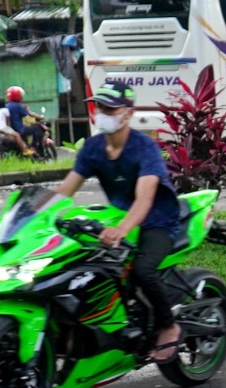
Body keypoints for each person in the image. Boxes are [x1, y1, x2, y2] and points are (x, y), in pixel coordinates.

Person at [48, 86, 187, 361]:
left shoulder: (143, 147)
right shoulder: (93, 147)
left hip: (156, 221)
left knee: (142, 270)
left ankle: (168, 325)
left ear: (128, 114)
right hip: (117, 218)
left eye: (110, 109)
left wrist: (122, 229)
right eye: (100, 108)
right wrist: (23, 217)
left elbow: (144, 199)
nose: (103, 115)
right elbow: (65, 191)